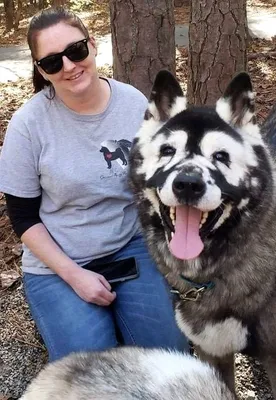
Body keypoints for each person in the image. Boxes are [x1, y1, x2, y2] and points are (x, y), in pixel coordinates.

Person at [0, 7, 188, 362]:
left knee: (169, 358)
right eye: (53, 62)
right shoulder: (27, 125)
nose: (69, 66)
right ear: (41, 70)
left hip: (129, 245)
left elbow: (156, 182)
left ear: (93, 44)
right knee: (89, 372)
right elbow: (22, 217)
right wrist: (75, 276)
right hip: (60, 259)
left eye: (76, 51)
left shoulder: (133, 102)